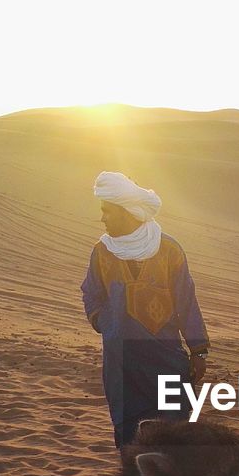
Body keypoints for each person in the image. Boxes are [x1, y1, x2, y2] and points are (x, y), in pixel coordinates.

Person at [81, 171, 210, 448]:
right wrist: (105, 322)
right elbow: (91, 293)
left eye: (107, 211)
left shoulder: (169, 250)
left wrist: (199, 350)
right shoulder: (102, 252)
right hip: (122, 361)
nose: (102, 218)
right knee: (128, 432)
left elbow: (186, 301)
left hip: (165, 357)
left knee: (174, 429)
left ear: (128, 212)